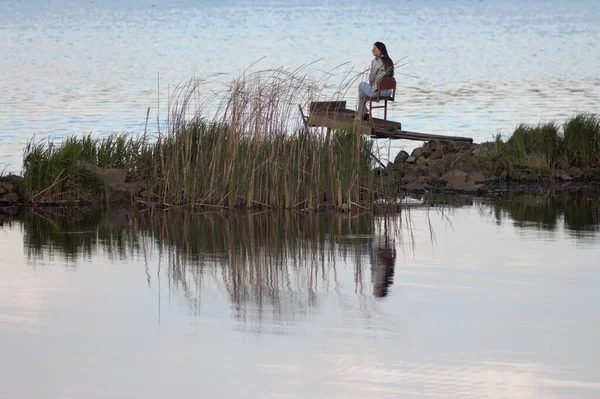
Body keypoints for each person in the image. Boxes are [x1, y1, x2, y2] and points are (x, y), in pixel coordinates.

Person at [356, 41, 395, 120]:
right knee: (364, 92)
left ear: (380, 50)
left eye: (374, 48)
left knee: (361, 85)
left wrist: (372, 86)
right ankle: (363, 111)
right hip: (388, 92)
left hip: (378, 92)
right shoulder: (389, 61)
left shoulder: (376, 61)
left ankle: (361, 113)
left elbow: (371, 78)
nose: (372, 50)